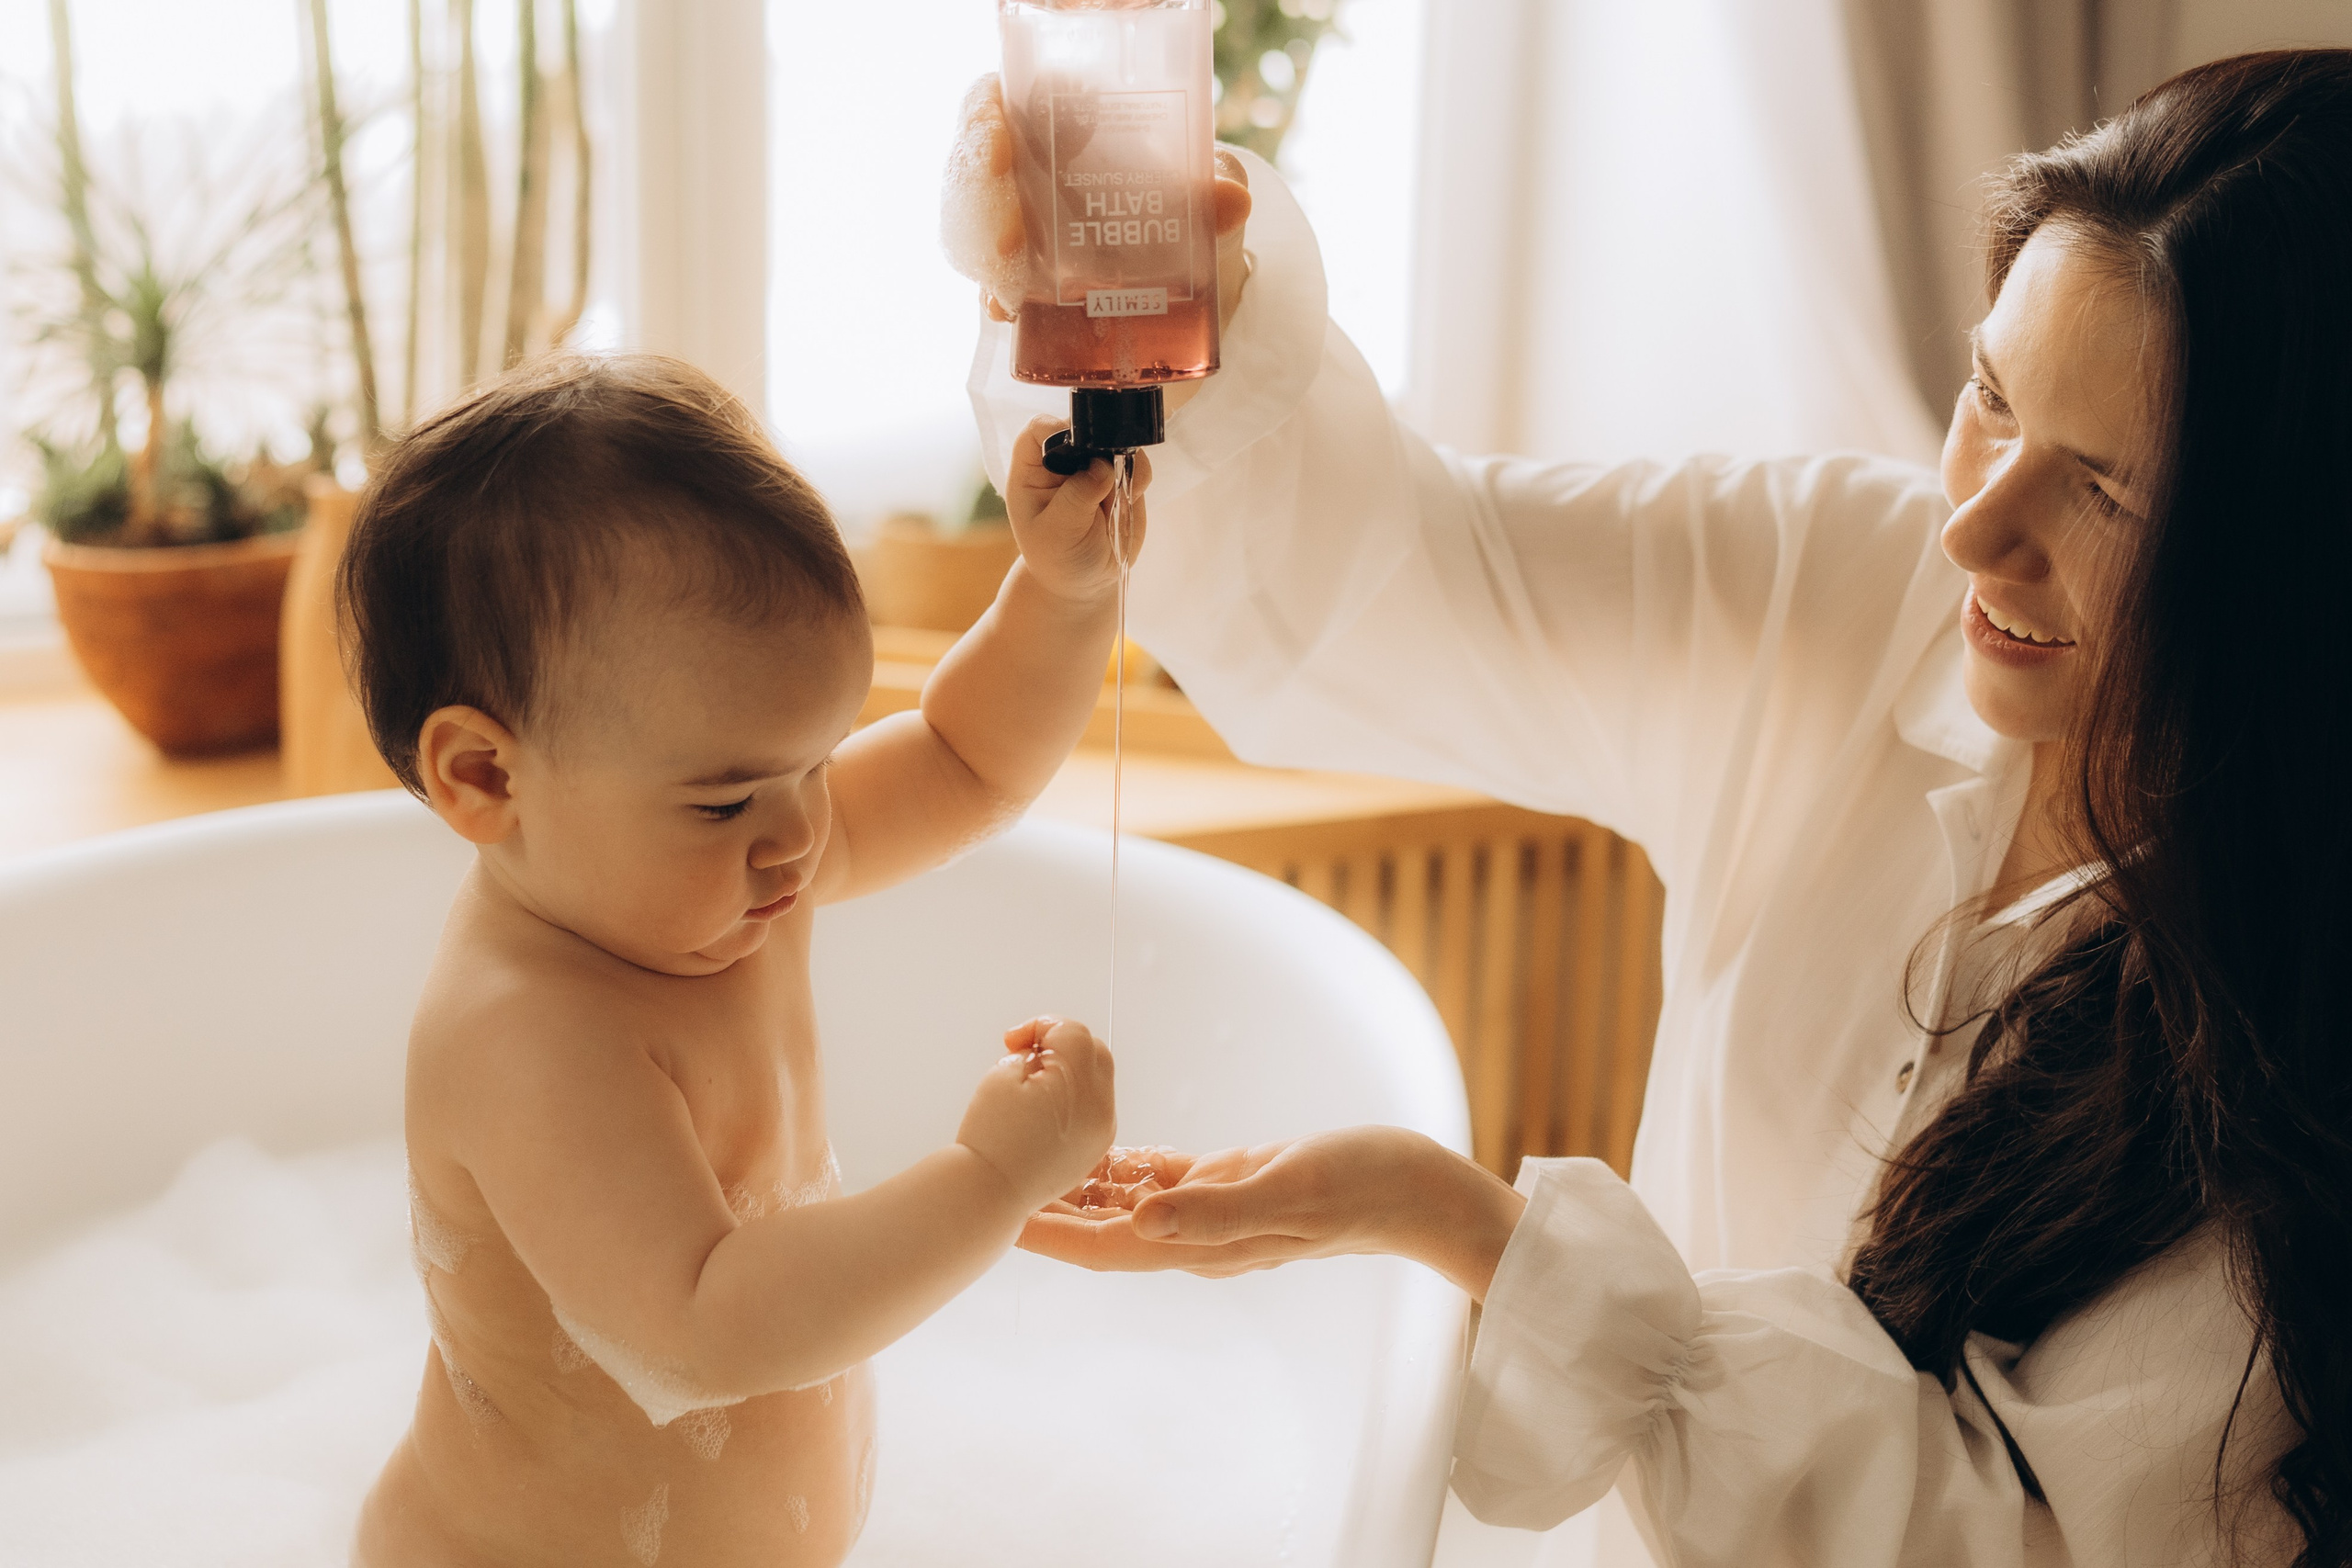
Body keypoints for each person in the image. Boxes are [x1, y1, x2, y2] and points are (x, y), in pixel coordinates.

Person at [945, 48, 2352, 1568]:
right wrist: (1151, 296)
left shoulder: (2306, 1029)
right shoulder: (1846, 591)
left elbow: (2013, 1542)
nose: (1975, 524)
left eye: (2107, 495)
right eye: (1990, 398)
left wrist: (1478, 1233)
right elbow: (1382, 591)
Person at [340, 355, 1142, 1566]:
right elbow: (696, 1331)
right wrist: (990, 1180)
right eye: (725, 803)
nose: (801, 834)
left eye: (815, 764)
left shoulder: (724, 878)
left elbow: (961, 759)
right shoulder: (528, 1032)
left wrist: (1062, 592)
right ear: (485, 778)